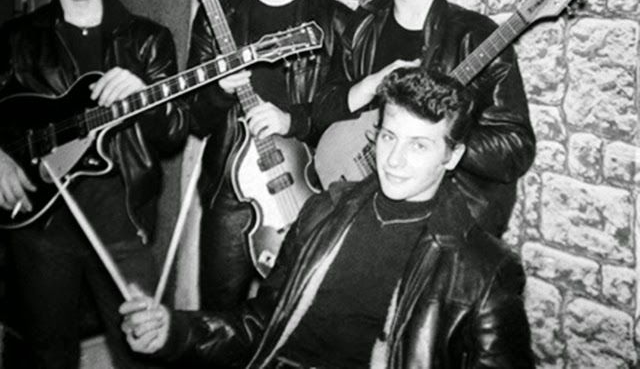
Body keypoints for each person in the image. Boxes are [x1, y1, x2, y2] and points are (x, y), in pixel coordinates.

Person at [120, 66, 535, 368]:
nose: (394, 160)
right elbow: (262, 321)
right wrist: (174, 331)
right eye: (389, 137)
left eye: (419, 146)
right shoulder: (324, 210)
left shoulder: (484, 272)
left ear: (453, 155)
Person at [0, 0, 189, 369]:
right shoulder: (15, 41)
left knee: (140, 354)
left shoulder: (148, 40)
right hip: (40, 228)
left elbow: (171, 136)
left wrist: (143, 93)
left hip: (123, 223)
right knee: (49, 357)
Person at [312, 0, 535, 236]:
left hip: (443, 225)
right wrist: (368, 89)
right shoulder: (360, 26)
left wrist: (439, 134)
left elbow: (514, 148)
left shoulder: (478, 36)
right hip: (361, 210)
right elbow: (320, 111)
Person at [187, 0, 352, 309]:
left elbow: (354, 114)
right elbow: (196, 120)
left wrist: (292, 120)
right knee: (220, 321)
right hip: (231, 194)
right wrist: (220, 94)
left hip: (311, 186)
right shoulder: (215, 19)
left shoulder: (335, 22)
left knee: (303, 320)